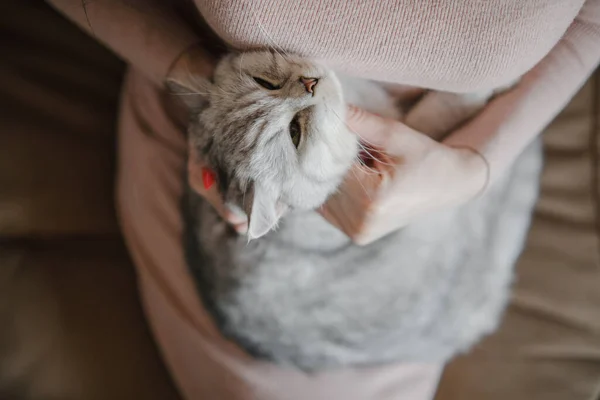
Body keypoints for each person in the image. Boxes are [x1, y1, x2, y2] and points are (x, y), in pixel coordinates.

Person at [46, 1, 600, 399]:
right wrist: (194, 74)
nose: (303, 89)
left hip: (455, 167)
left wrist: (477, 164)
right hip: (228, 153)